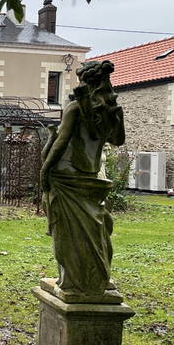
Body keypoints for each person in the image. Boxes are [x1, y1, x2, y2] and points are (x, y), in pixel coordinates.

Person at [40, 59, 125, 299]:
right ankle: (96, 277)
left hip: (66, 176)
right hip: (92, 177)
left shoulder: (75, 107)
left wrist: (44, 171)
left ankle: (74, 280)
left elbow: (60, 142)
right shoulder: (111, 110)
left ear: (85, 82)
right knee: (98, 228)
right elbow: (118, 140)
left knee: (66, 230)